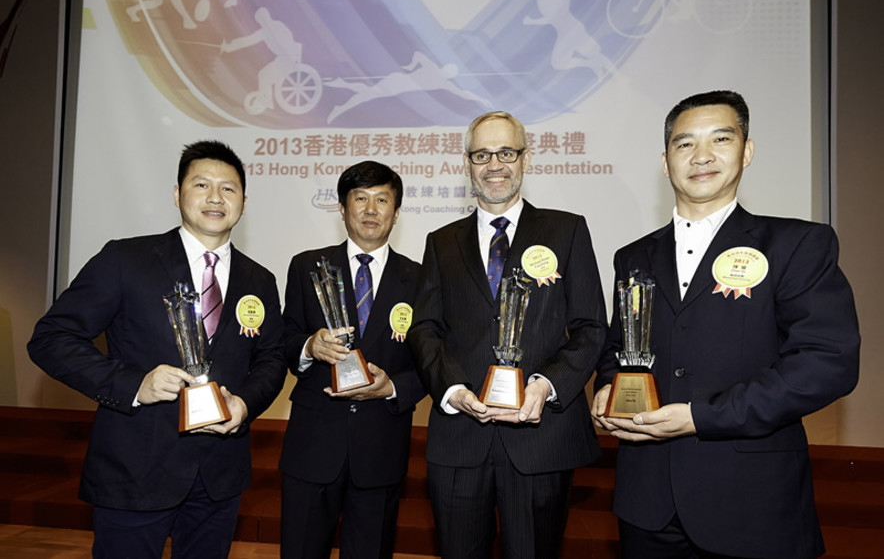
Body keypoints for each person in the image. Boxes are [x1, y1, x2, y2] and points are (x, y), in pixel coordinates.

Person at [591, 90, 860, 558]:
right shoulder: (633, 256)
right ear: (665, 160)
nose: (701, 156)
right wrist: (609, 390)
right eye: (684, 144)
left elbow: (827, 363)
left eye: (720, 138)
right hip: (648, 505)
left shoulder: (797, 244)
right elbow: (619, 350)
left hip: (753, 505)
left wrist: (700, 416)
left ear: (747, 150)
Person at [27, 140, 287, 559]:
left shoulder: (259, 280)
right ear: (177, 193)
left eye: (228, 188)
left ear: (243, 201)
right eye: (201, 184)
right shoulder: (125, 259)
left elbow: (272, 358)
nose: (215, 197)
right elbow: (51, 339)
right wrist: (134, 384)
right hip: (136, 468)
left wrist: (244, 405)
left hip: (220, 473)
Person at [408, 111, 607, 558]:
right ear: (467, 163)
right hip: (461, 436)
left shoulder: (567, 230)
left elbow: (592, 326)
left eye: (505, 152)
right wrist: (453, 389)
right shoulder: (441, 242)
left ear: (525, 158)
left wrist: (547, 384)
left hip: (541, 438)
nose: (494, 164)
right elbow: (425, 328)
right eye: (482, 154)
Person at [278, 161, 424, 558]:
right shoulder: (307, 266)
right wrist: (309, 346)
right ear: (342, 209)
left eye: (382, 200)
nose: (371, 210)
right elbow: (284, 340)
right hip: (313, 443)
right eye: (360, 199)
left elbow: (431, 361)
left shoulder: (422, 278)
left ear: (396, 212)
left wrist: (392, 387)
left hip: (380, 446)